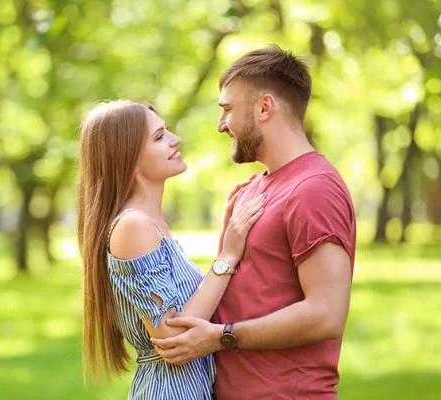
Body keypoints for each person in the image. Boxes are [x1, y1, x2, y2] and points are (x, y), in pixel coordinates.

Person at [150, 45, 357, 399]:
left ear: (264, 107)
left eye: (227, 109)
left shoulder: (315, 189)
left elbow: (326, 314)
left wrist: (222, 336)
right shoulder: (249, 190)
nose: (220, 125)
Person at [77, 99, 265, 399]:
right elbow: (176, 338)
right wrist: (228, 255)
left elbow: (189, 308)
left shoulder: (151, 224)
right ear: (129, 159)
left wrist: (227, 237)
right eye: (160, 136)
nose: (175, 139)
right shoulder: (133, 227)